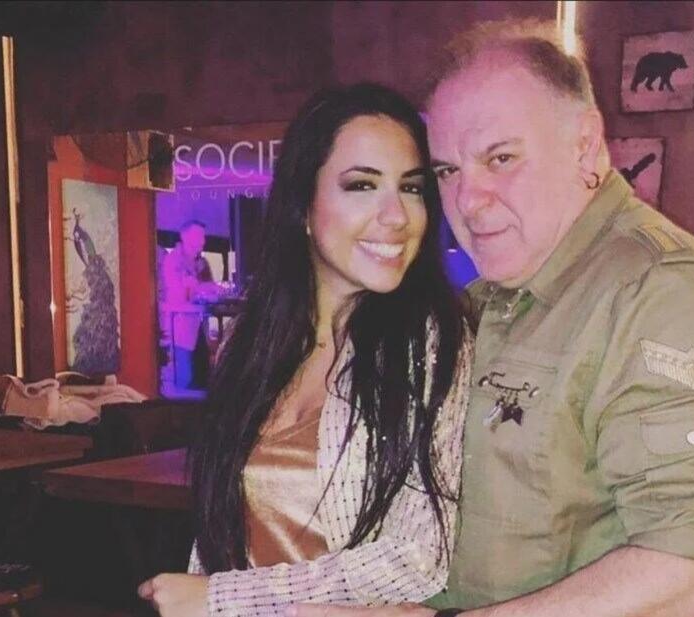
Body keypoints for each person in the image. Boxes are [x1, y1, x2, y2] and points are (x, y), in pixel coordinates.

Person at [289, 18, 694, 617]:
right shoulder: (488, 299)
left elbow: (693, 573)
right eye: (447, 171)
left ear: (585, 145)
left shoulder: (661, 295)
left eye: (500, 158)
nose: (468, 201)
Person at [138, 83, 472, 617]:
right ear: (303, 206)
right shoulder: (251, 343)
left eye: (411, 188)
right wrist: (204, 591)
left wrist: (223, 599)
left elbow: (418, 556)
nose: (397, 216)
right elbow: (221, 523)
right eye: (362, 185)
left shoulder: (429, 343)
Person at [159, 219, 220, 389]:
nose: (203, 241)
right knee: (184, 379)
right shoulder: (173, 260)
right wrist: (202, 288)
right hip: (180, 326)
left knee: (202, 379)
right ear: (184, 236)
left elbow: (211, 288)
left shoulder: (202, 263)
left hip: (199, 326)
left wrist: (207, 288)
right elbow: (180, 292)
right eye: (198, 236)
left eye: (203, 237)